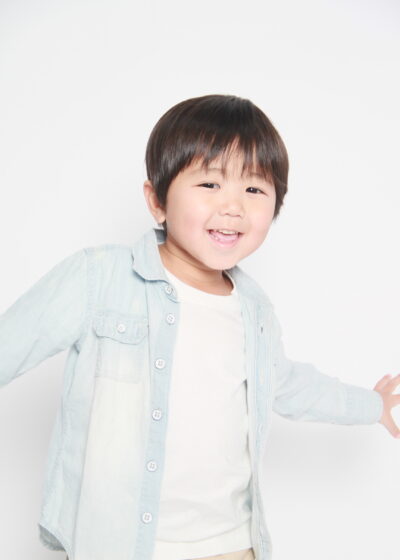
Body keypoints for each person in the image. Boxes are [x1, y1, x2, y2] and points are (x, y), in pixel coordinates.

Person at [1, 94, 399, 560]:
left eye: (254, 189)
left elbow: (288, 384)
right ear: (157, 201)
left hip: (231, 543)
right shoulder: (99, 279)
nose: (233, 206)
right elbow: (11, 344)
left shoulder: (254, 310)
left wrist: (370, 405)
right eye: (210, 183)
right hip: (120, 544)